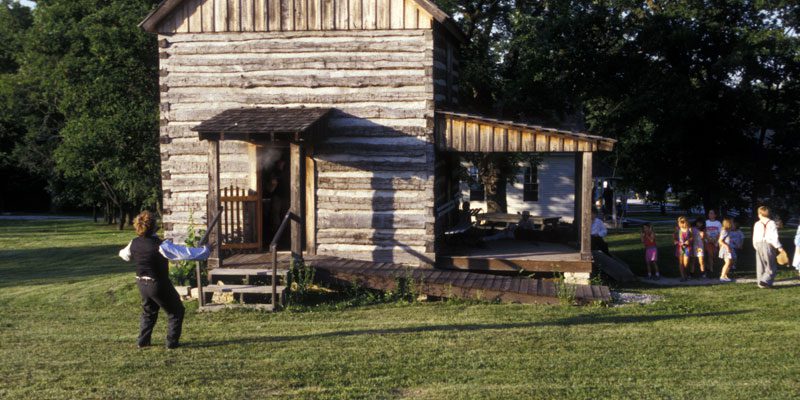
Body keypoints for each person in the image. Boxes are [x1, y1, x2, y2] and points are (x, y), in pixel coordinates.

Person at [119, 211, 185, 349]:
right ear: (155, 226)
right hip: (157, 283)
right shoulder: (160, 245)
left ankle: (143, 342)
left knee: (148, 312)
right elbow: (183, 254)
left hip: (141, 283)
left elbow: (124, 255)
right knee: (176, 311)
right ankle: (172, 343)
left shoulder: (134, 242)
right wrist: (205, 251)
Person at [752, 206, 787, 288]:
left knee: (760, 265)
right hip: (768, 245)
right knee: (771, 266)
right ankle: (765, 281)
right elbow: (774, 237)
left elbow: (754, 237)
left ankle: (761, 283)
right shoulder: (771, 223)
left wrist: (755, 246)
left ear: (760, 214)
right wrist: (779, 246)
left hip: (758, 244)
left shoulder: (757, 223)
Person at [673, 216, 693, 282]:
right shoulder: (678, 230)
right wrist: (676, 241)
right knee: (681, 263)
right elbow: (674, 238)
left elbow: (692, 237)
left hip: (687, 247)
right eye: (681, 222)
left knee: (686, 263)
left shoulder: (689, 229)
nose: (683, 223)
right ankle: (683, 276)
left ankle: (686, 273)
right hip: (680, 247)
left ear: (687, 222)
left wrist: (689, 240)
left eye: (684, 222)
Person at [718, 217, 735, 282]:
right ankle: (722, 276)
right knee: (728, 262)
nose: (733, 224)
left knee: (730, 262)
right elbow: (720, 241)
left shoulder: (728, 231)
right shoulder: (724, 231)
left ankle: (725, 275)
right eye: (732, 222)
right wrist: (727, 247)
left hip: (728, 249)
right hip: (725, 249)